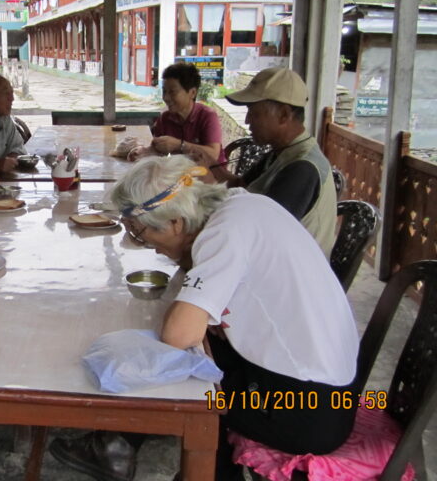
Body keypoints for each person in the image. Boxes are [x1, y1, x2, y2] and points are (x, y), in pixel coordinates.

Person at [49, 156, 358, 481]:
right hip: (325, 391)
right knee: (193, 352)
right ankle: (119, 447)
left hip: (304, 410)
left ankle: (127, 450)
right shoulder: (239, 206)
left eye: (141, 234)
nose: (148, 247)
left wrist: (186, 313)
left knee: (167, 362)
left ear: (177, 223)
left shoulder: (223, 232)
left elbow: (179, 334)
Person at [197, 67, 337, 257]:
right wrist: (209, 164)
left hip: (291, 273)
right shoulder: (280, 151)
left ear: (284, 115)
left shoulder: (302, 168)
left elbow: (264, 233)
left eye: (254, 113)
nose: (247, 121)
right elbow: (239, 184)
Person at [127, 62, 225, 164]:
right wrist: (143, 152)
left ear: (192, 93)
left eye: (172, 92)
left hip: (213, 175)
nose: (166, 98)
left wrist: (179, 145)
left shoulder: (207, 116)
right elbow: (157, 150)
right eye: (164, 91)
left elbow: (214, 154)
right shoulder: (165, 118)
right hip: (183, 175)